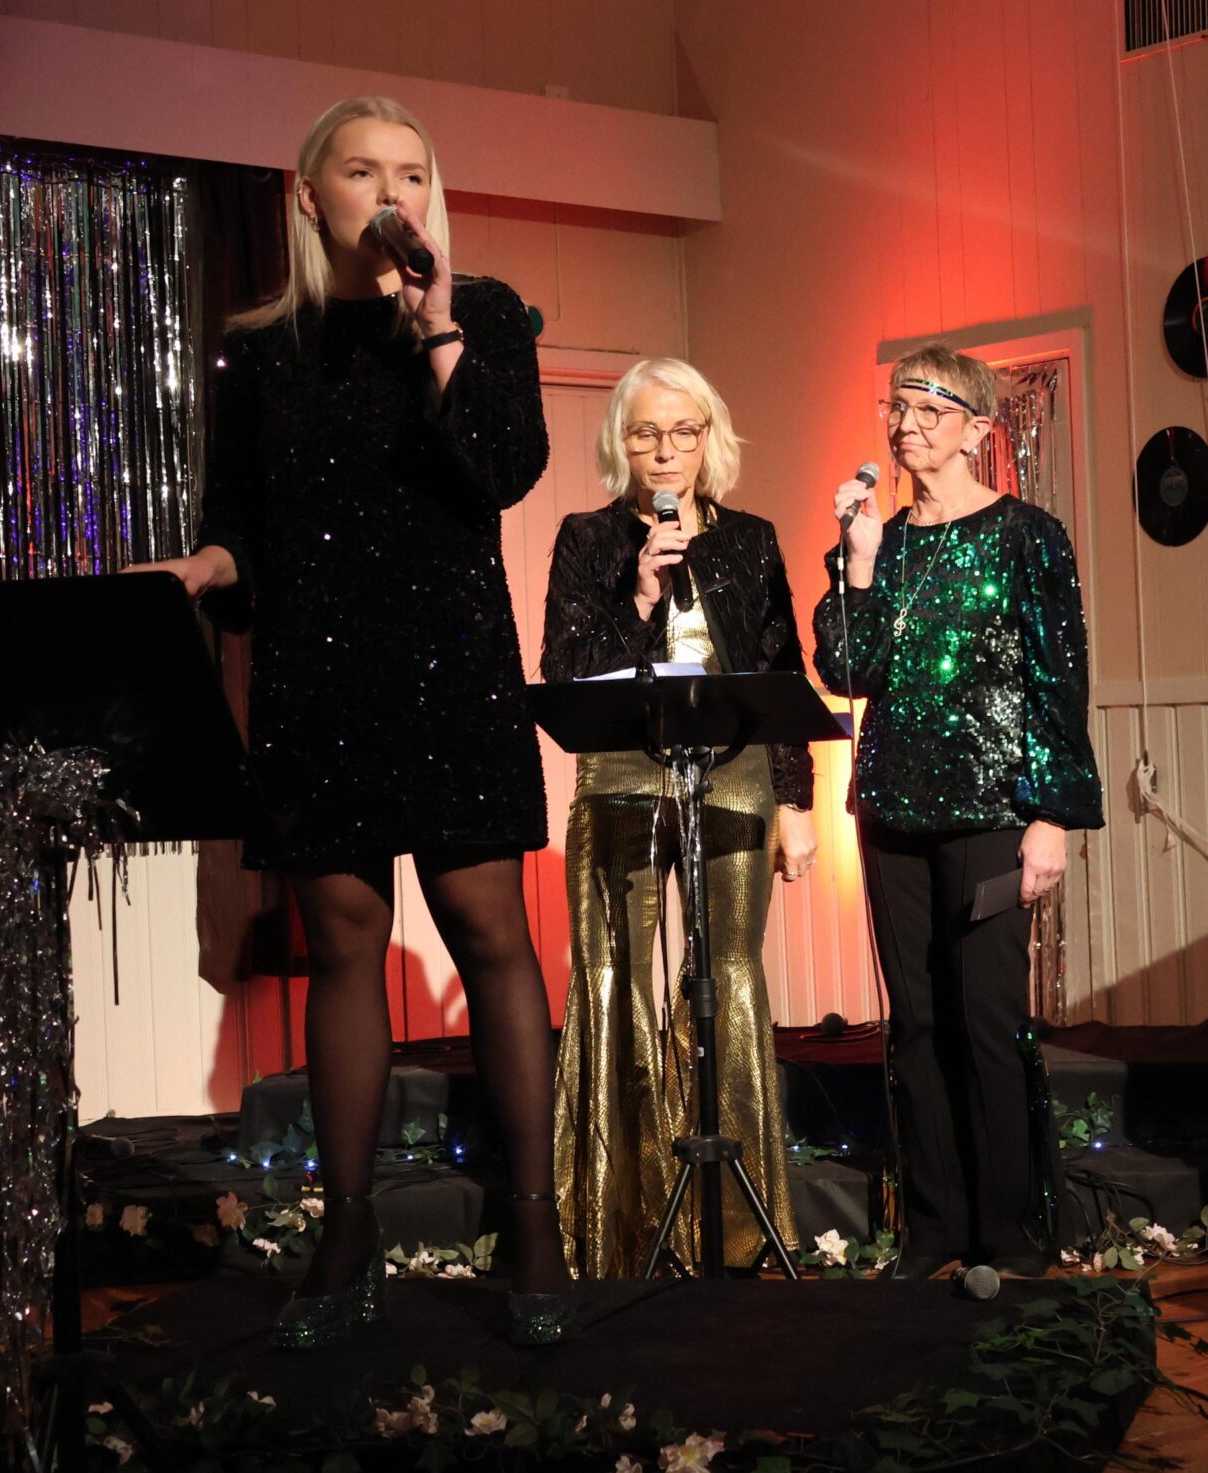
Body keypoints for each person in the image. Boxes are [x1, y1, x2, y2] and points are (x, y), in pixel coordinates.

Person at [129, 95, 572, 1347]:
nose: (394, 191)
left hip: (451, 664)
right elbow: (237, 524)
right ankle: (346, 1228)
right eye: (366, 169)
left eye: (415, 172)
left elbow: (507, 467)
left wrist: (435, 328)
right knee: (342, 948)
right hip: (319, 674)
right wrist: (198, 573)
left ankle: (532, 1225)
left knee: (489, 929)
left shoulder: (480, 315)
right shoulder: (259, 351)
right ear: (309, 191)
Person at [814, 345, 1103, 1280]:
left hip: (992, 810)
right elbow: (849, 673)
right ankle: (933, 1226)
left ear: (979, 430)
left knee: (987, 1020)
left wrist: (1051, 816)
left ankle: (1012, 1233)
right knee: (918, 1023)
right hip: (893, 809)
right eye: (897, 409)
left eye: (929, 410)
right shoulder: (878, 542)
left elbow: (1059, 681)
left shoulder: (1028, 535)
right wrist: (857, 568)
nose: (906, 426)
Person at [538, 358, 813, 1276]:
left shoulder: (752, 539)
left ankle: (731, 1228)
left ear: (710, 439)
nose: (665, 450)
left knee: (727, 975)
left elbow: (779, 673)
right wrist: (643, 599)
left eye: (683, 431)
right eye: (647, 432)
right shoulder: (588, 540)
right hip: (619, 773)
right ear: (622, 441)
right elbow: (566, 665)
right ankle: (624, 1222)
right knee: (614, 978)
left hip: (732, 776)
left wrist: (795, 802)